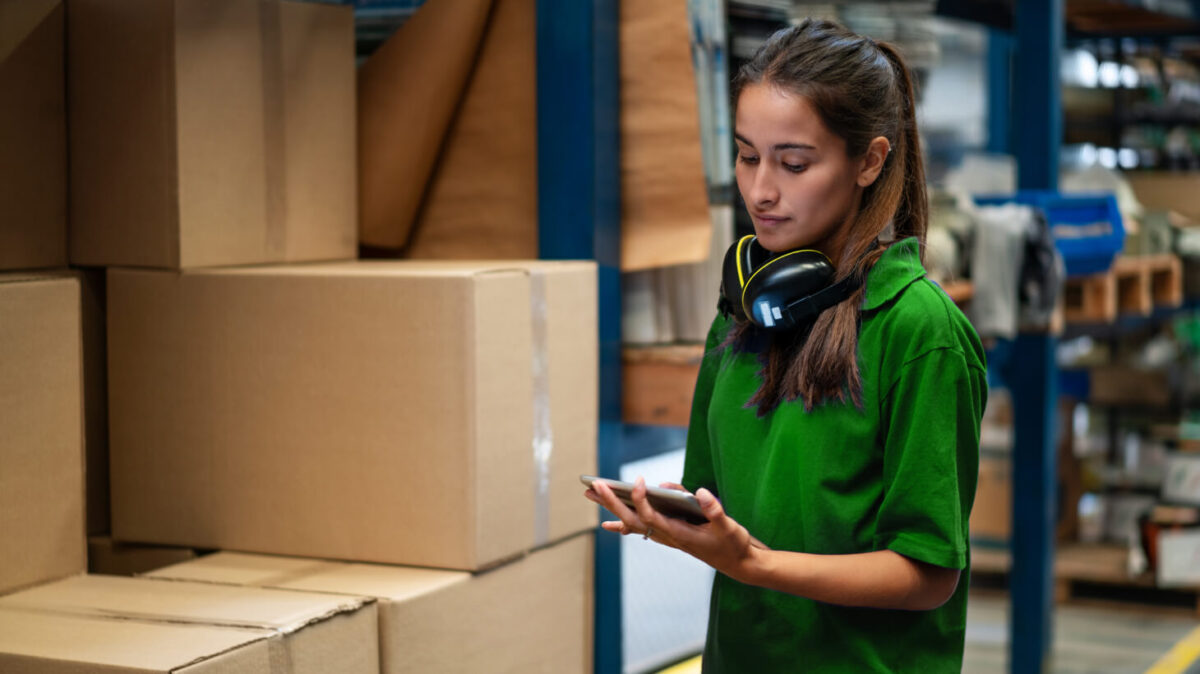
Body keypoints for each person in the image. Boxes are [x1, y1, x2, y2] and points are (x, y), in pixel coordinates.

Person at [584, 18, 987, 673]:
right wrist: (680, 522)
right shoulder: (743, 313)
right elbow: (724, 507)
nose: (761, 191)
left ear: (870, 160)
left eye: (793, 163)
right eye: (747, 156)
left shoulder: (920, 332)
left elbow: (928, 573)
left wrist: (756, 564)